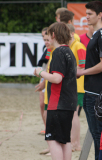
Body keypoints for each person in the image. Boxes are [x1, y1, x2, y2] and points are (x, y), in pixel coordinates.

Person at [34, 22, 77, 160]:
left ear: (53, 35)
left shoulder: (58, 52)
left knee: (52, 139)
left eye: (48, 36)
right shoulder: (69, 51)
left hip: (58, 103)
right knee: (65, 140)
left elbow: (57, 78)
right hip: (68, 102)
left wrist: (40, 72)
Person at [76, 1, 102, 159]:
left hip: (97, 93)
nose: (87, 17)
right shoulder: (96, 34)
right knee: (97, 135)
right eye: (86, 14)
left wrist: (82, 72)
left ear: (100, 15)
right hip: (91, 91)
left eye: (90, 14)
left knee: (99, 136)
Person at [67, 24, 86, 151]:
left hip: (78, 86)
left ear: (71, 33)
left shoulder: (78, 46)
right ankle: (73, 143)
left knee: (74, 115)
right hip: (74, 85)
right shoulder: (72, 46)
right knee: (72, 114)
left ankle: (76, 144)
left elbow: (83, 66)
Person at [37, 27, 49, 135]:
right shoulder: (46, 48)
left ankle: (49, 129)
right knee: (42, 104)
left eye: (46, 37)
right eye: (43, 37)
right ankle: (46, 127)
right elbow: (42, 65)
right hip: (44, 76)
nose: (44, 40)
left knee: (45, 104)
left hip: (48, 78)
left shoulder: (53, 48)